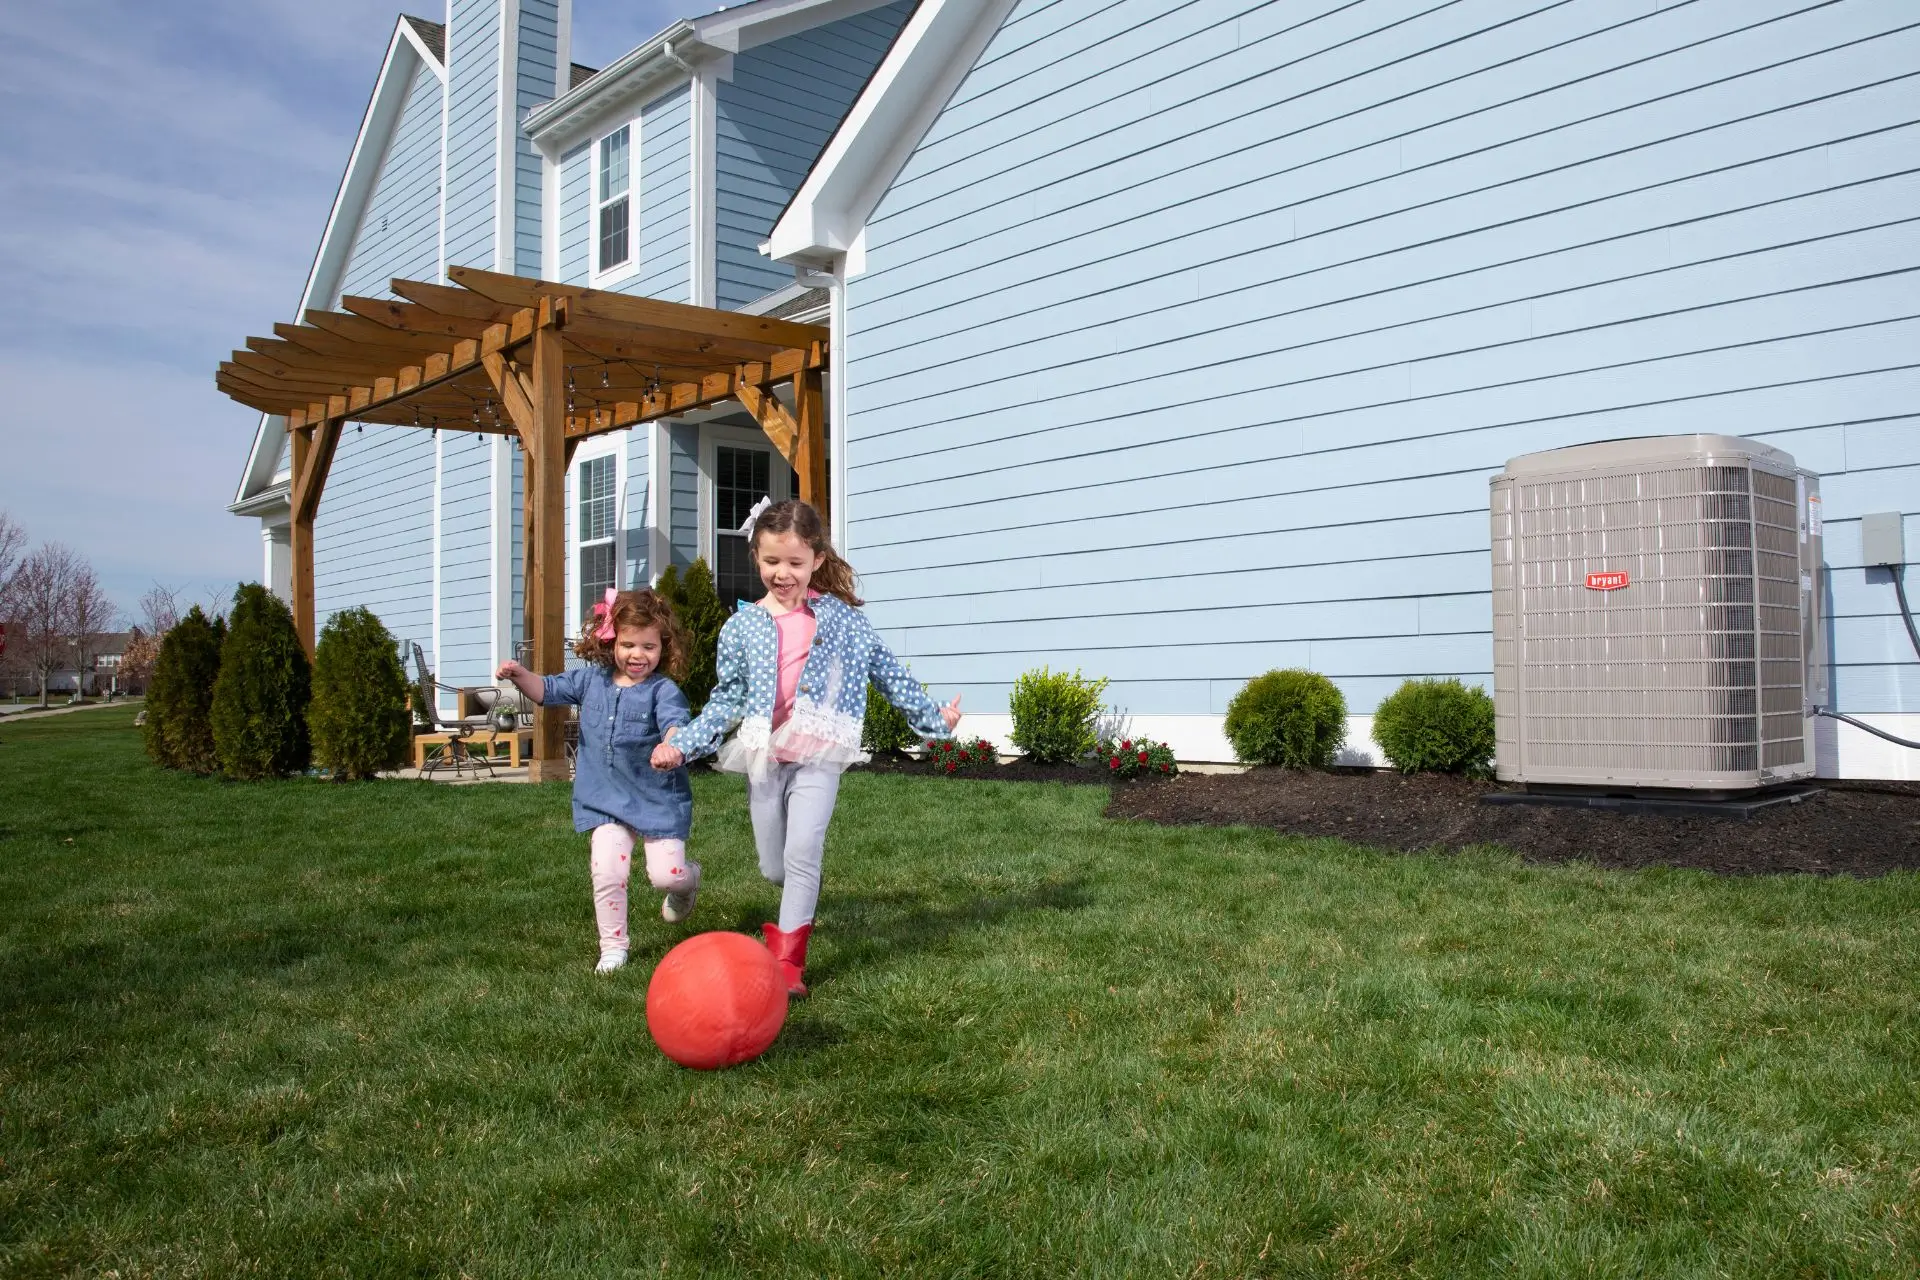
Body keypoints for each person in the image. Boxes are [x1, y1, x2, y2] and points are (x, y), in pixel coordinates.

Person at [651, 498, 962, 997]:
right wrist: (683, 744)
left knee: (802, 852)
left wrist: (933, 719)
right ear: (756, 556)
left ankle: (788, 965)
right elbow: (724, 700)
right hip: (764, 755)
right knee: (774, 867)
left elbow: (886, 671)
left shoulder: (841, 620)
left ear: (817, 560)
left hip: (820, 752)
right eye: (772, 561)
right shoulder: (741, 627)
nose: (782, 573)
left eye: (795, 563)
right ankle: (795, 897)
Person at [497, 588, 696, 974]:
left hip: (656, 800)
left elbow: (676, 724)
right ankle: (613, 947)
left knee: (666, 876)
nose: (638, 655)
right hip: (604, 801)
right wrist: (520, 675)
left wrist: (672, 746)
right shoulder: (591, 682)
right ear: (611, 642)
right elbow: (548, 691)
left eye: (649, 646)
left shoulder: (663, 690)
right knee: (607, 870)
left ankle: (687, 883)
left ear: (663, 647)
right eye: (629, 644)